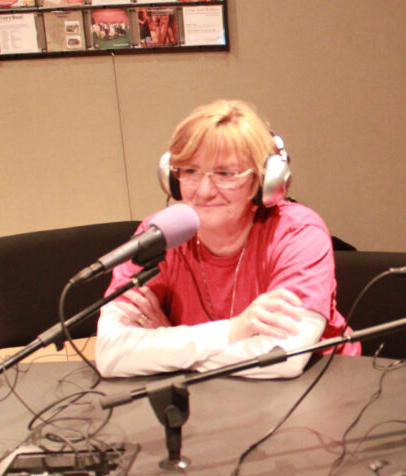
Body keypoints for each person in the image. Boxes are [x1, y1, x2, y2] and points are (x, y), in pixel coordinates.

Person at [95, 99, 356, 379]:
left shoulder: (298, 232)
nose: (204, 190)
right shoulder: (159, 236)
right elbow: (111, 353)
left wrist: (164, 346)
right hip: (208, 399)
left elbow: (282, 359)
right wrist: (234, 330)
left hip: (317, 393)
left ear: (263, 181)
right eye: (190, 171)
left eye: (225, 174)